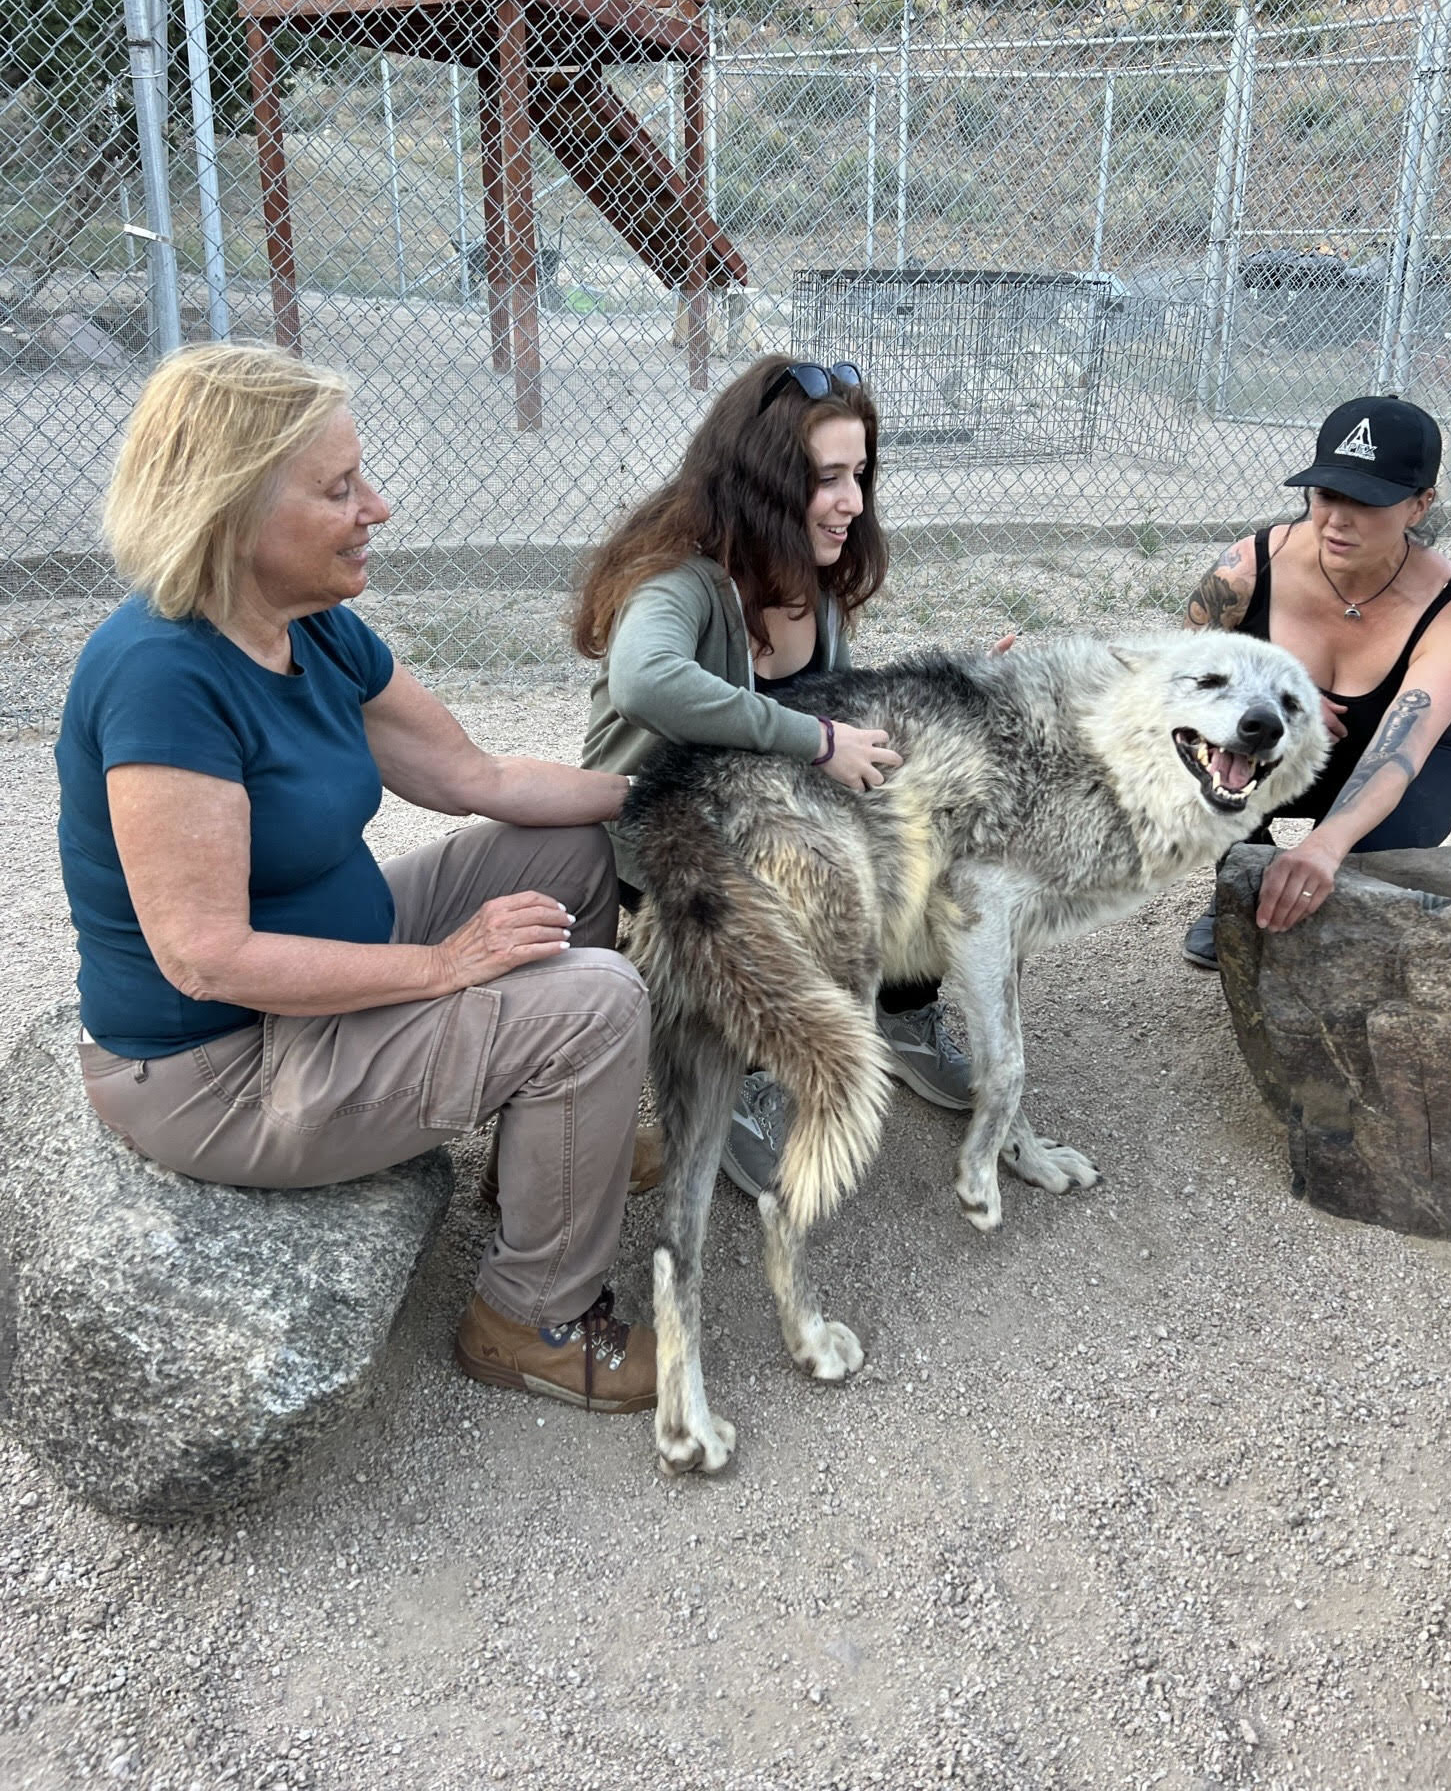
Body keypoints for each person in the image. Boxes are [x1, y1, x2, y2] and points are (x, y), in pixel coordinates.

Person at [59, 342, 659, 1415]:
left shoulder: (313, 626)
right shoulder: (163, 677)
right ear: (232, 511)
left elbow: (473, 775)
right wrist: (439, 965)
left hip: (344, 957)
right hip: (226, 1065)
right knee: (594, 1002)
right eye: (339, 489)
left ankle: (547, 1144)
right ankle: (533, 1320)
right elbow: (205, 958)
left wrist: (668, 793)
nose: (376, 506)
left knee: (578, 854)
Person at [575, 353, 974, 1198]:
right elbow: (649, 681)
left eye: (859, 474)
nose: (853, 502)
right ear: (760, 482)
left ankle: (904, 1016)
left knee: (939, 808)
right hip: (661, 838)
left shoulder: (814, 584)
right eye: (825, 479)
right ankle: (731, 1076)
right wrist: (815, 741)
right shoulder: (681, 580)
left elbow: (830, 713)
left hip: (767, 809)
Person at [1180, 394, 1451, 966]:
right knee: (1186, 757)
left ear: (1420, 505)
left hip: (1389, 759)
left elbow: (1402, 751)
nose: (1338, 520)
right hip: (1275, 752)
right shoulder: (1250, 566)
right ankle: (1240, 882)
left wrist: (1324, 847)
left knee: (1353, 881)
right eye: (1327, 494)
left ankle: (1325, 881)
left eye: (1369, 502)